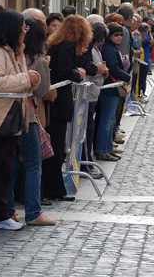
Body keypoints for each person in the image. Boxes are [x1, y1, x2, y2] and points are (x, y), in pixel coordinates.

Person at [0, 9, 40, 230]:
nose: (25, 33)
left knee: (4, 169)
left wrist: (31, 80)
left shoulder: (15, 51)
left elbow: (20, 82)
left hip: (12, 117)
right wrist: (26, 77)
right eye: (23, 29)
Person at [6, 16, 56, 225]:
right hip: (28, 115)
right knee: (34, 163)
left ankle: (8, 209)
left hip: (9, 114)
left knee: (11, 165)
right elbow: (44, 91)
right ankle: (34, 212)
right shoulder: (38, 59)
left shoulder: (13, 54)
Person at [42, 15, 89, 202]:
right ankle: (53, 188)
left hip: (55, 100)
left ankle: (53, 187)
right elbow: (64, 71)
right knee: (57, 146)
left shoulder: (57, 44)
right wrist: (78, 73)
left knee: (56, 145)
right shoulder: (68, 45)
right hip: (59, 100)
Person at [96, 23, 131, 161]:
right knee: (107, 121)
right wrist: (127, 77)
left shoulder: (112, 47)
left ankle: (107, 148)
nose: (119, 37)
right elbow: (114, 68)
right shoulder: (109, 49)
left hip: (111, 88)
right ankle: (102, 150)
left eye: (121, 34)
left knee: (110, 121)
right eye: (116, 34)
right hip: (109, 89)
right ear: (109, 35)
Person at [83, 22, 109, 174]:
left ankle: (87, 162)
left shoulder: (95, 49)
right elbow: (90, 67)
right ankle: (86, 164)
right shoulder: (89, 50)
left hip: (93, 93)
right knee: (86, 130)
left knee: (89, 128)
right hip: (88, 94)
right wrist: (99, 69)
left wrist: (101, 70)